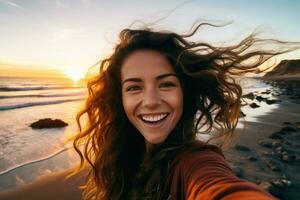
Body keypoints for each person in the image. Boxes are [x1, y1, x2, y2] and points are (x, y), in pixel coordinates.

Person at [0, 22, 297, 200]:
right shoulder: (124, 155)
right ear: (120, 99)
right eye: (134, 87)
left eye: (166, 84)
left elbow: (219, 187)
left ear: (185, 92)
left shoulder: (196, 161)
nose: (151, 100)